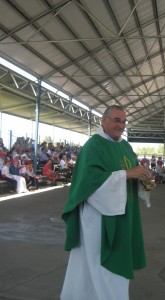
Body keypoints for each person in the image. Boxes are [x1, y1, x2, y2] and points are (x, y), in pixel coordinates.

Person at [60, 105, 151, 300]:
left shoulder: (125, 146)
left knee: (116, 262)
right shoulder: (93, 146)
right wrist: (127, 174)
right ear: (103, 120)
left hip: (124, 214)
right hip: (99, 217)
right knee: (98, 264)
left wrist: (143, 181)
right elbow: (89, 181)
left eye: (124, 121)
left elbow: (133, 171)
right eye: (117, 120)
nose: (121, 125)